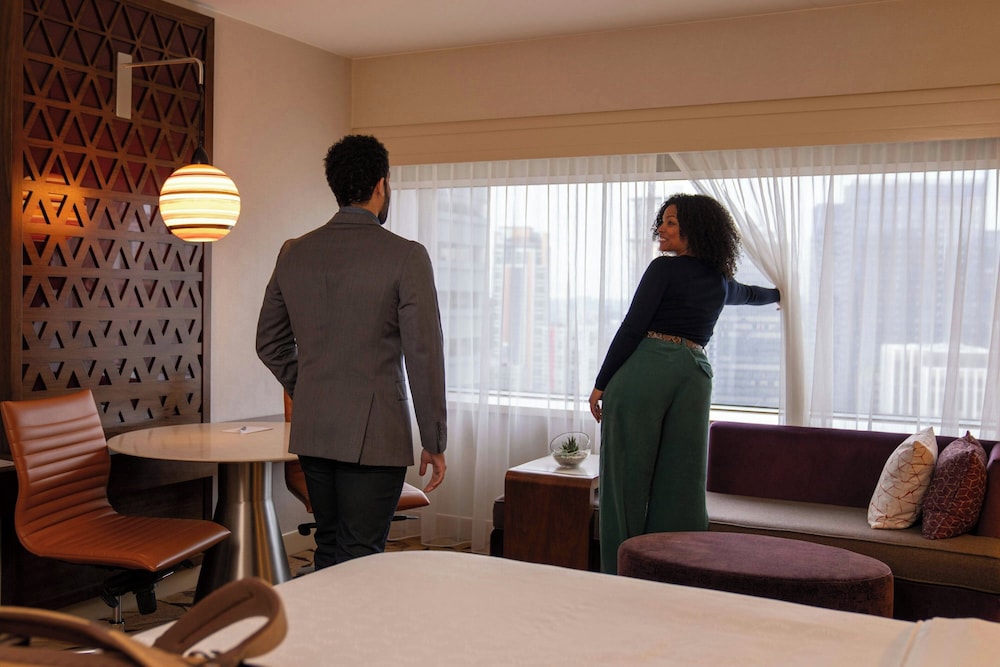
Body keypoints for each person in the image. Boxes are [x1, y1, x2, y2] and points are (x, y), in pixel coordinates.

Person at [256, 134, 447, 570]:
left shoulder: (294, 252)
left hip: (315, 428)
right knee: (361, 556)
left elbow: (268, 341)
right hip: (376, 435)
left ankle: (318, 618)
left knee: (329, 546)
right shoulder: (406, 256)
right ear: (381, 184)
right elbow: (424, 356)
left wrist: (308, 386)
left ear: (337, 187)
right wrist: (434, 440)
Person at [588, 193, 779, 574]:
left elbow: (633, 326)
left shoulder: (664, 269)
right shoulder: (720, 282)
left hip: (647, 369)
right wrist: (782, 294)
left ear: (695, 229)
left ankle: (620, 573)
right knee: (682, 480)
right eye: (662, 221)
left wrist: (601, 383)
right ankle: (673, 571)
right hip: (694, 375)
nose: (661, 228)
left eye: (671, 222)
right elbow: (753, 295)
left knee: (624, 478)